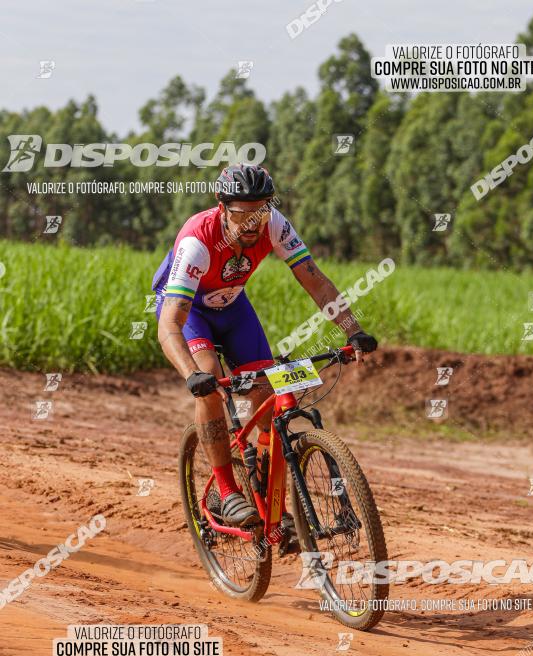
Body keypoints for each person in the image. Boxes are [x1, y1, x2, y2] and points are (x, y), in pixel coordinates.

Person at [154, 163, 377, 525]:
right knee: (208, 381)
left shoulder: (274, 222)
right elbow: (169, 322)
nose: (254, 223)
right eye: (243, 214)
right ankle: (227, 492)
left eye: (261, 211)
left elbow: (316, 281)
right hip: (191, 310)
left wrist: (353, 330)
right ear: (222, 206)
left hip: (233, 306)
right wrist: (191, 374)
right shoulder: (198, 241)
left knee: (266, 390)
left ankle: (268, 499)